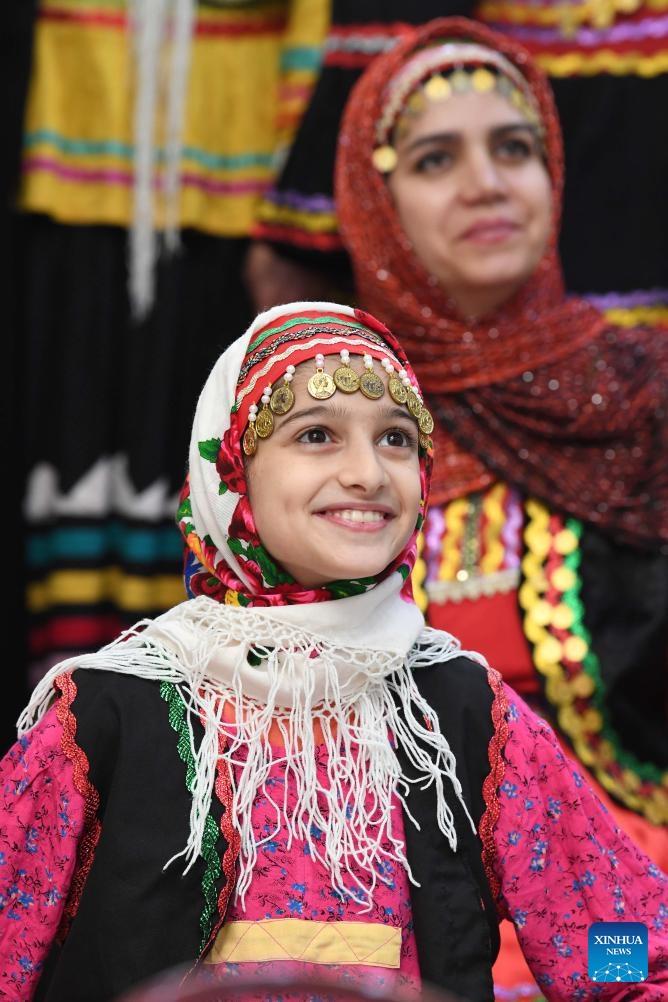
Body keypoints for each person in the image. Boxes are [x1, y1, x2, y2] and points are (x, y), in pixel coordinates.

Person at [1, 301, 666, 1002]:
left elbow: (615, 940)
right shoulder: (108, 712)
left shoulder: (459, 711)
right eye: (316, 434)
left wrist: (609, 981)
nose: (368, 474)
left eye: (397, 440)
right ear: (231, 471)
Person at [332, 19, 668, 999]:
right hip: (386, 934)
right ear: (374, 204)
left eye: (513, 148)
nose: (486, 182)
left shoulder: (644, 410)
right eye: (437, 158)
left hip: (623, 918)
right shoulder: (321, 434)